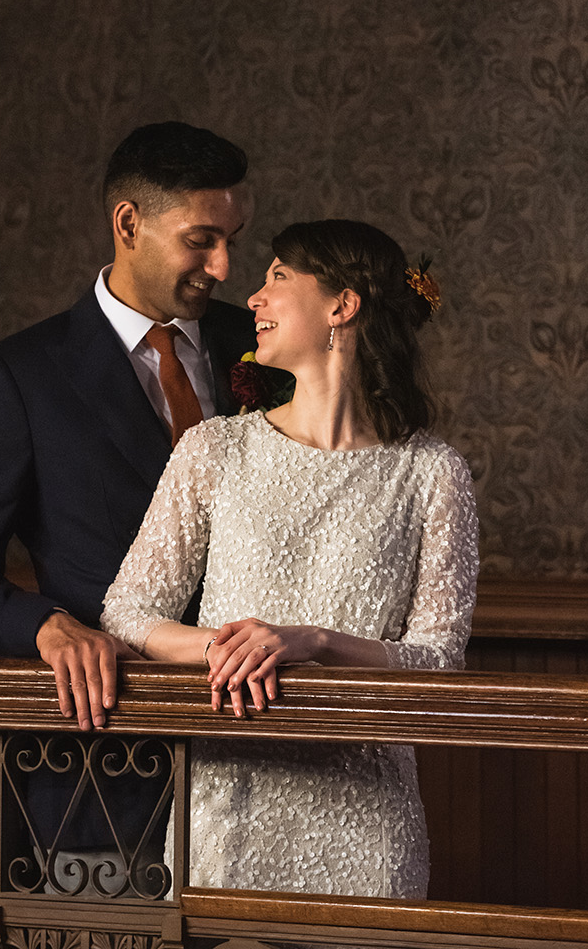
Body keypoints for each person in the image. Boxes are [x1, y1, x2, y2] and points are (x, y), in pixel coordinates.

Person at [102, 219, 479, 898]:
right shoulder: (213, 450)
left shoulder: (432, 472)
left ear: (342, 305)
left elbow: (439, 663)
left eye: (277, 277)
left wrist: (313, 642)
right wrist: (232, 648)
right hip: (225, 805)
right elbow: (127, 612)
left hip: (368, 820)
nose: (252, 297)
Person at [0, 120, 256, 733]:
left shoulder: (266, 349)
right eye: (201, 240)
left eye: (233, 238)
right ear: (128, 225)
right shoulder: (21, 375)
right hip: (113, 753)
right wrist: (45, 625)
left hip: (270, 738)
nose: (225, 266)